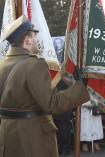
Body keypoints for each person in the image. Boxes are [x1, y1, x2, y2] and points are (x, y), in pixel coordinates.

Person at [0, 15, 90, 157]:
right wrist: (80, 88)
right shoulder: (34, 64)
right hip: (31, 136)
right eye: (34, 36)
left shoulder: (2, 65)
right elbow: (52, 104)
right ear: (27, 40)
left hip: (7, 134)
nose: (37, 40)